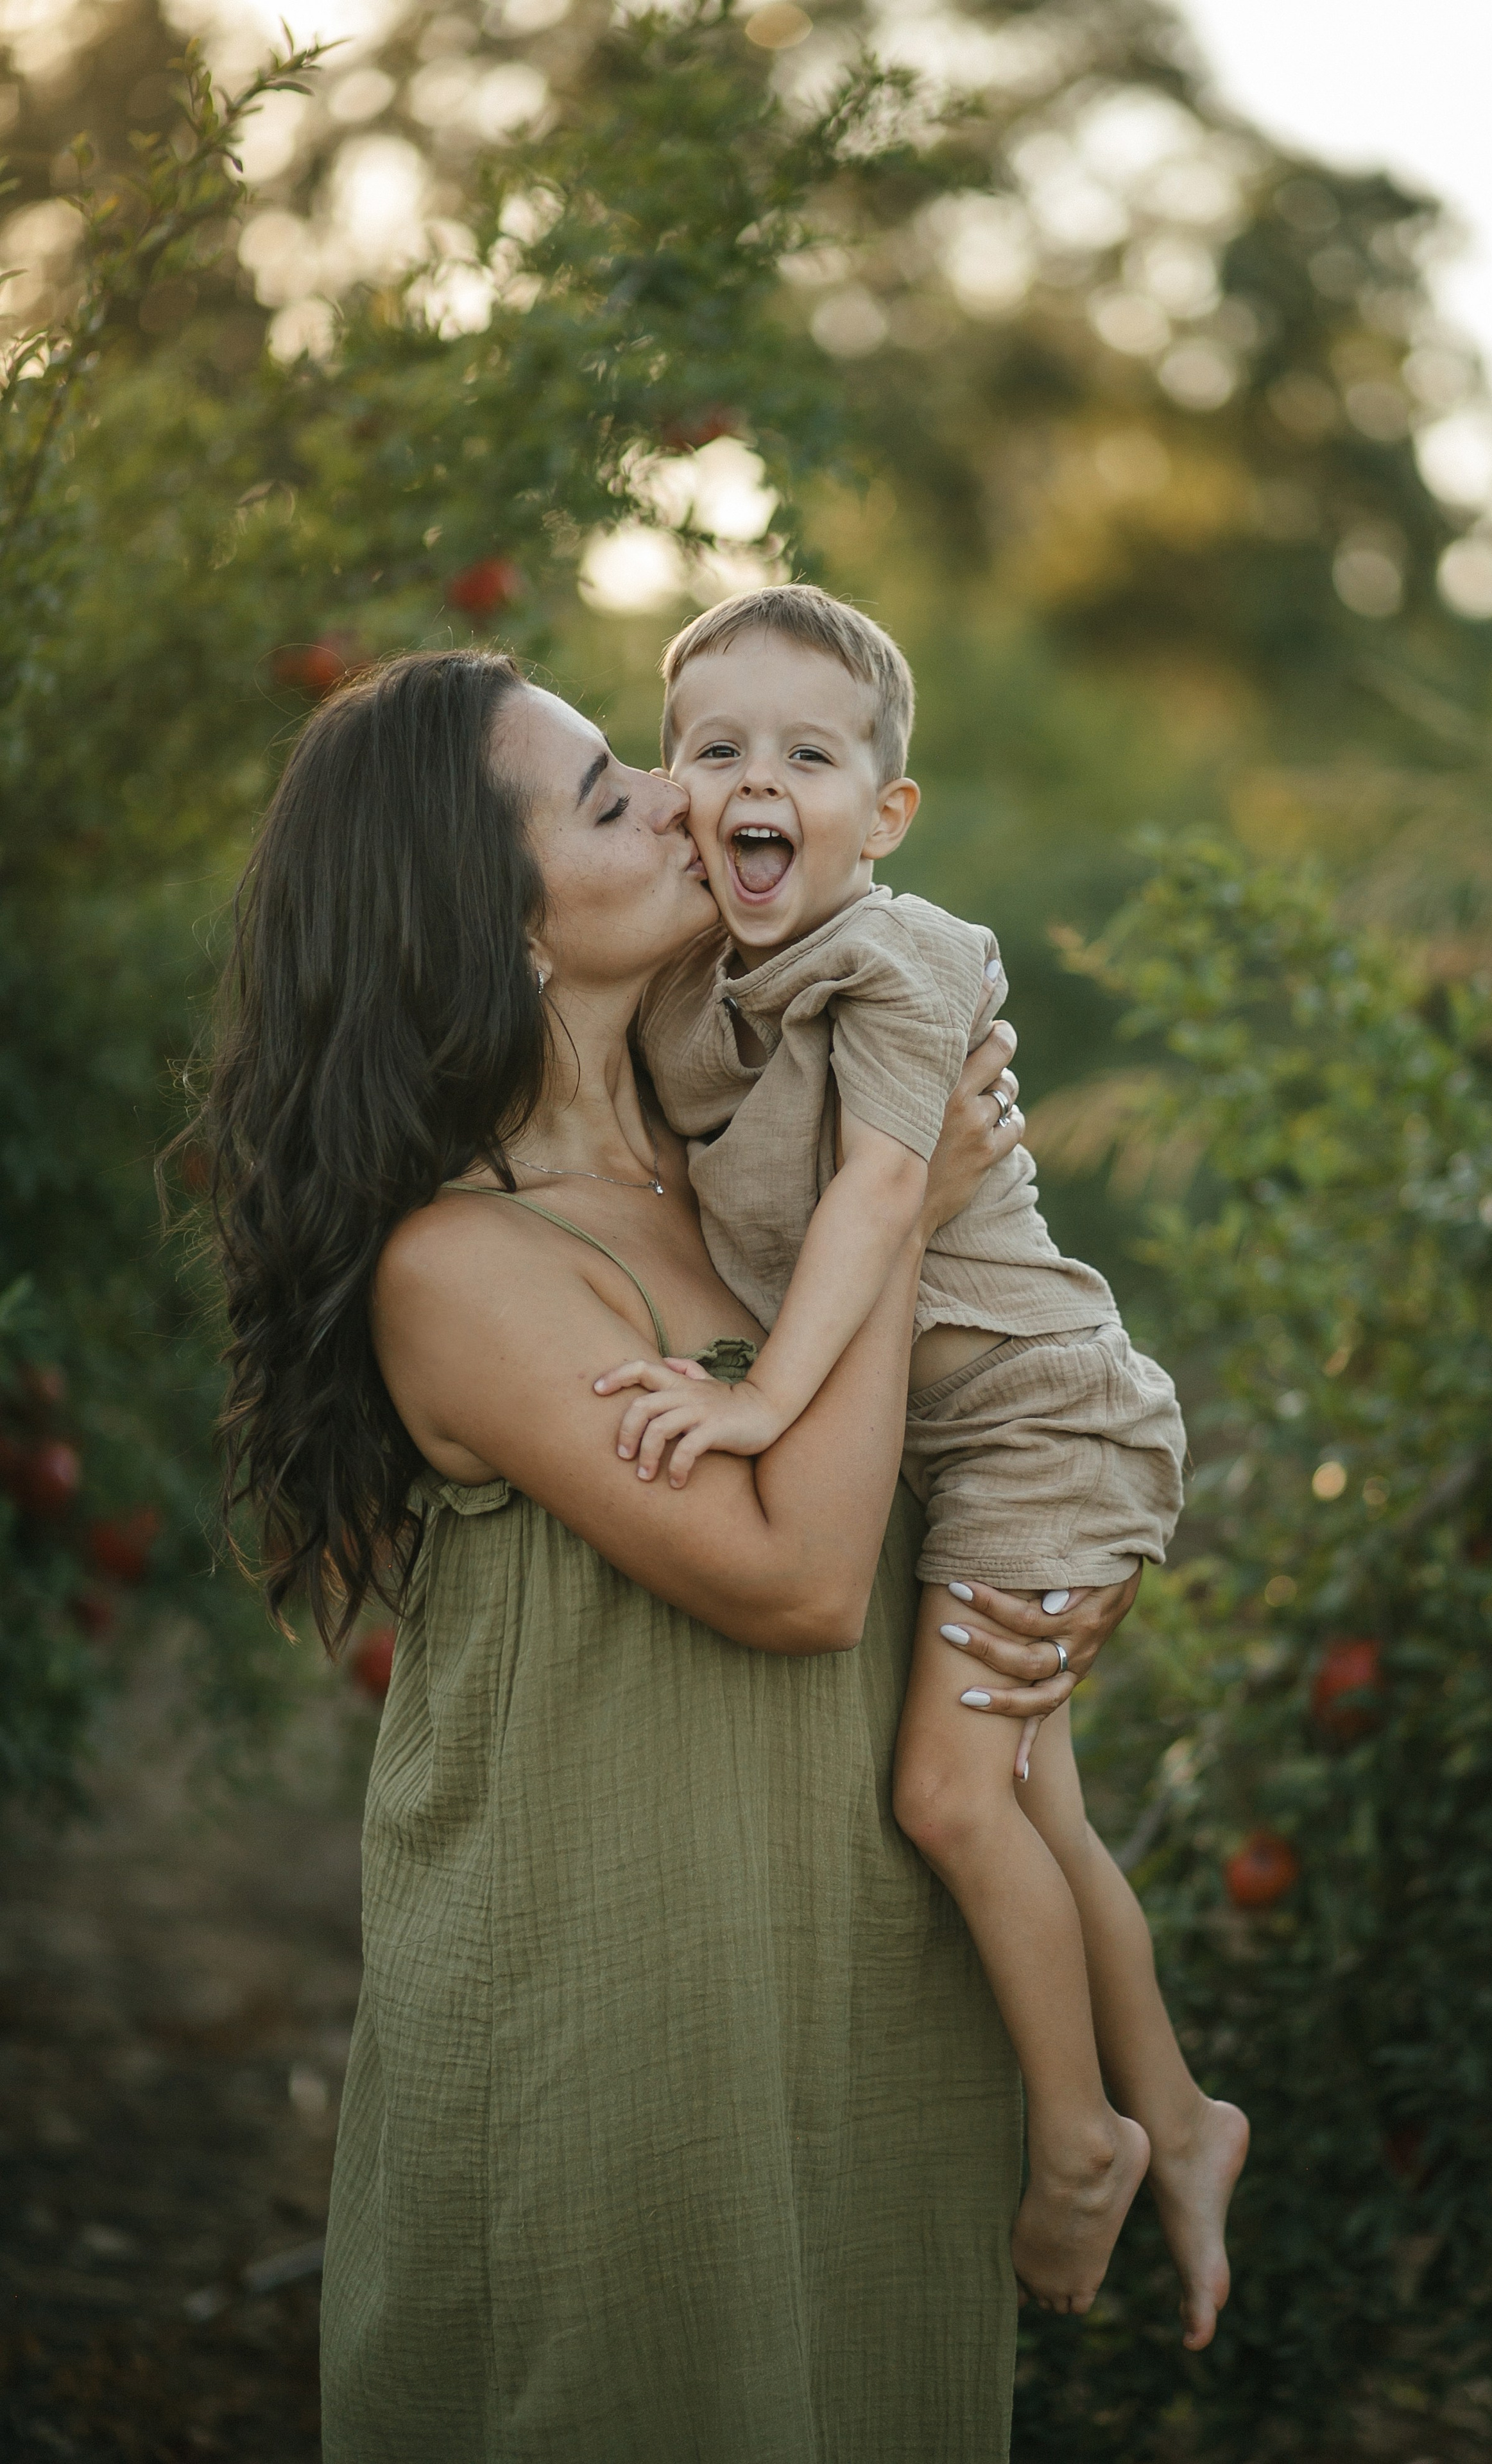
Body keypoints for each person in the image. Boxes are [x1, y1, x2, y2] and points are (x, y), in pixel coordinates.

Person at [196, 646, 1113, 2464]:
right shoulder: (458, 1269)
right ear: (504, 927)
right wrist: (904, 1214)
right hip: (619, 2037)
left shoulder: (758, 1167)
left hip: (860, 2008)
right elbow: (795, 1583)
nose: (690, 801)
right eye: (615, 796)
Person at [607, 585, 1248, 2338]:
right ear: (672, 784)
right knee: (1038, 1804)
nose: (758, 780)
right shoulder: (692, 986)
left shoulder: (906, 961)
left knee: (950, 1800)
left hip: (1041, 1416)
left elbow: (891, 1193)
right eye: (716, 746)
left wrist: (752, 1410)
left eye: (809, 755)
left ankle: (1077, 2143)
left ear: (883, 814)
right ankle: (1188, 2120)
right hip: (956, 1445)